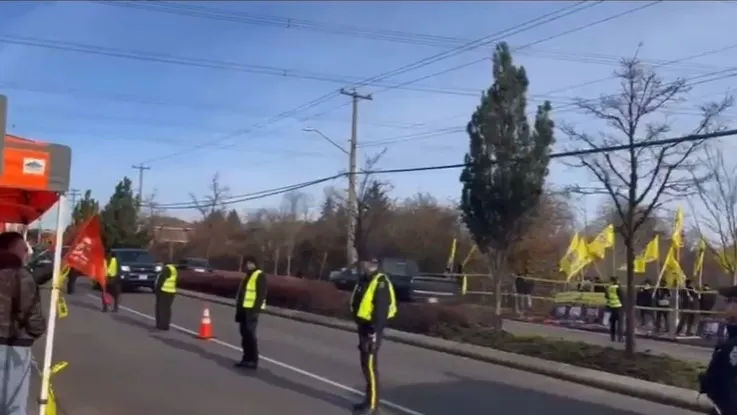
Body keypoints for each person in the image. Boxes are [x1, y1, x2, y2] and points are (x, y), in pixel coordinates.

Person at [0, 232, 46, 415]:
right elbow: (34, 319)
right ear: (10, 249)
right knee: (13, 406)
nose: (27, 253)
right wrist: (34, 333)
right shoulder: (21, 276)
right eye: (23, 249)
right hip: (15, 347)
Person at [351, 258, 397, 415]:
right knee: (365, 366)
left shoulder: (381, 282)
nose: (364, 266)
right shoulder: (365, 279)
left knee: (370, 367)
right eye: (363, 263)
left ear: (374, 265)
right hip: (363, 328)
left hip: (372, 330)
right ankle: (367, 400)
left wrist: (374, 333)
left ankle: (372, 406)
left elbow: (380, 312)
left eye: (367, 264)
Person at [700, 298, 737, 415]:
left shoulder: (732, 344)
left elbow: (727, 377)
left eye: (731, 302)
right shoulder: (730, 340)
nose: (727, 307)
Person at [234, 256, 267, 369]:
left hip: (251, 311)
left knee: (250, 336)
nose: (246, 266)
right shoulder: (247, 276)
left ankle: (253, 360)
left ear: (253, 263)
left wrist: (255, 310)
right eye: (245, 264)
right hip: (244, 310)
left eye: (248, 263)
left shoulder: (259, 275)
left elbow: (261, 295)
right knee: (244, 335)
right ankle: (246, 358)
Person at [154, 263, 178, 330]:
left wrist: (157, 291)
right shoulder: (174, 269)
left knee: (162, 309)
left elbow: (161, 281)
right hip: (172, 291)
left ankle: (161, 325)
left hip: (164, 291)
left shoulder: (166, 269)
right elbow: (176, 281)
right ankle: (166, 325)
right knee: (167, 309)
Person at [605, 276, 623, 342]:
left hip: (611, 307)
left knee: (612, 324)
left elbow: (606, 296)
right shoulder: (618, 288)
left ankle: (612, 338)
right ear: (616, 281)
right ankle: (620, 338)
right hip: (618, 307)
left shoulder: (608, 288)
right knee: (620, 324)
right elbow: (622, 297)